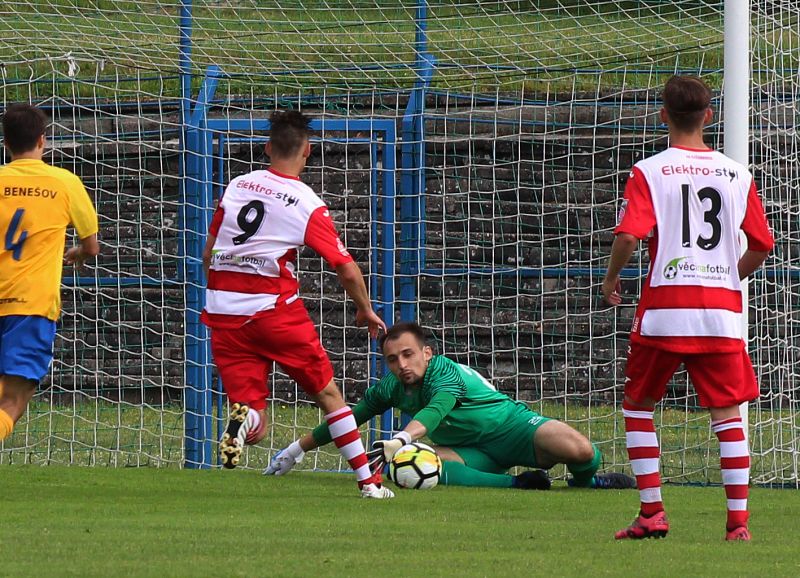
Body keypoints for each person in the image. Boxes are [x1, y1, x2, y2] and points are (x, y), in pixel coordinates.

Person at [602, 76, 774, 541]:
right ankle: (738, 525)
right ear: (709, 117)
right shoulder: (738, 174)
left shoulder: (649, 170)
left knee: (638, 406)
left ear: (663, 116)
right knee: (727, 415)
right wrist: (725, 278)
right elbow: (762, 244)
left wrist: (612, 276)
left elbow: (628, 235)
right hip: (721, 316)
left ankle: (652, 513)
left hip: (663, 312)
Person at [201, 109, 393, 498]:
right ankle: (369, 484)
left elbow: (209, 252)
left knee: (255, 421)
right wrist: (364, 308)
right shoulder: (305, 202)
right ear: (307, 150)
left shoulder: (239, 184)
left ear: (268, 147)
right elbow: (345, 266)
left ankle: (246, 419)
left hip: (222, 309)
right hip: (274, 311)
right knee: (328, 395)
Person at [265, 321, 636, 492]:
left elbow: (436, 409)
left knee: (580, 449)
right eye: (393, 359)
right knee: (407, 469)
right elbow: (346, 418)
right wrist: (297, 449)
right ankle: (518, 484)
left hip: (513, 429)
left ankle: (588, 483)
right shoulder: (391, 388)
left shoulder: (445, 372)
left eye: (408, 355)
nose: (402, 365)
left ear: (427, 352)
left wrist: (401, 438)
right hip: (471, 452)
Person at [0, 103, 99, 441]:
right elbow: (92, 246)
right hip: (31, 304)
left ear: (6, 143)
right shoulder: (64, 182)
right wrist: (79, 253)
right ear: (43, 141)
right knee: (15, 397)